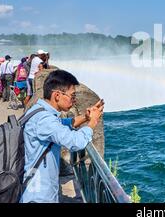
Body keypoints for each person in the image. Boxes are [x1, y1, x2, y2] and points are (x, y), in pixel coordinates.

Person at [20, 70, 104, 203]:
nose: (74, 100)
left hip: (39, 190)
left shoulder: (39, 110)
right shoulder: (44, 120)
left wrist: (85, 118)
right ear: (57, 95)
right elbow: (75, 142)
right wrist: (93, 122)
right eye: (72, 96)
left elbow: (61, 125)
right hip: (39, 195)